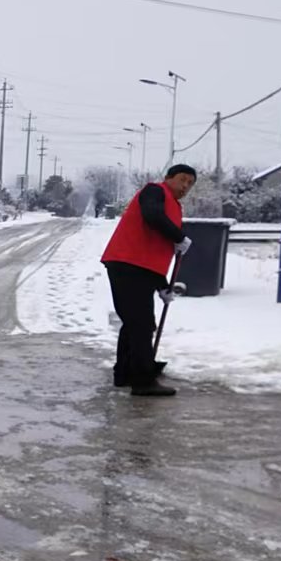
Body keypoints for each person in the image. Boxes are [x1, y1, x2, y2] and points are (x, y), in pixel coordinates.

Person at [101, 164, 197, 397]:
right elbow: (152, 215)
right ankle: (143, 380)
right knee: (141, 324)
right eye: (182, 179)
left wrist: (162, 286)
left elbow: (151, 251)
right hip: (126, 263)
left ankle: (125, 373)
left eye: (190, 184)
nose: (185, 186)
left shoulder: (174, 206)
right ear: (168, 178)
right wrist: (178, 236)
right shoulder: (154, 191)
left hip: (138, 267)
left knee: (135, 323)